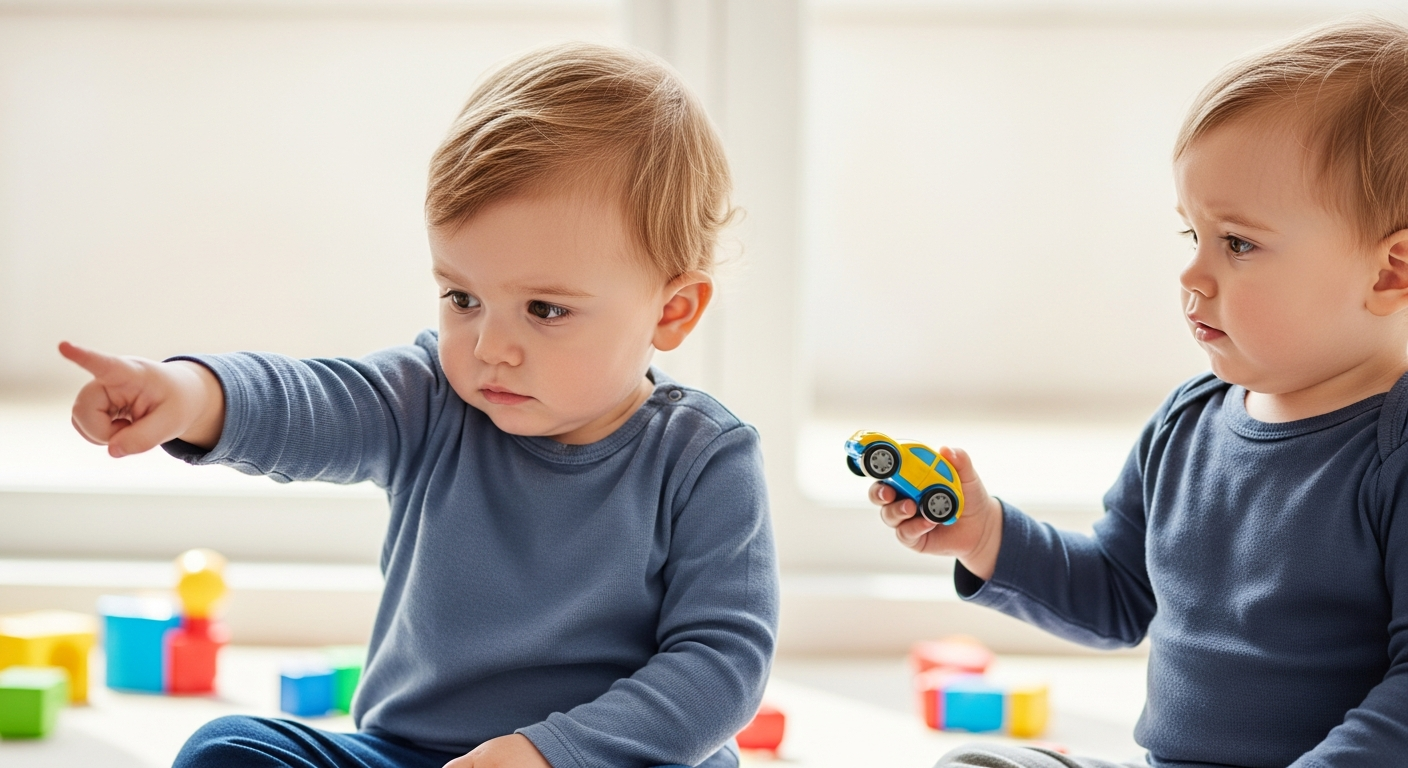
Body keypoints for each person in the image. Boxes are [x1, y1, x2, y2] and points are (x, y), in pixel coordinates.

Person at [59, 43, 778, 768]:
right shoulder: (433, 396)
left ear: (673, 310)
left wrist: (546, 754)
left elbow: (721, 664)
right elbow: (314, 403)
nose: (491, 346)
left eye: (545, 310)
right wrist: (190, 395)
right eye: (463, 298)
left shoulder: (704, 457)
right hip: (410, 756)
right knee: (231, 749)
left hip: (605, 762)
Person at [870, 17, 1408, 768]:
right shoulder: (1189, 422)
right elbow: (1120, 593)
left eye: (1239, 243)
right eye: (1192, 236)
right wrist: (987, 535)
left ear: (1389, 272)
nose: (1193, 275)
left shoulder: (1393, 451)